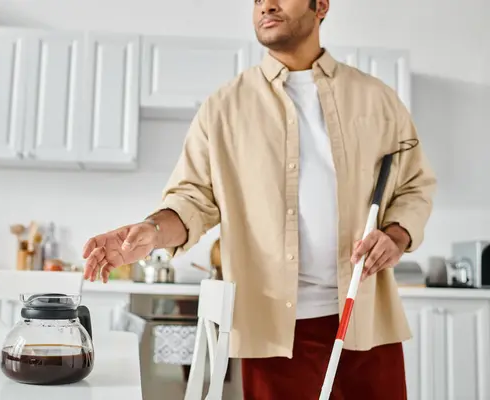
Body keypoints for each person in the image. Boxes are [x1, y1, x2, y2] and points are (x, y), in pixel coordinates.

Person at [82, 0, 437, 398]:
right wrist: (152, 231)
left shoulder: (378, 100)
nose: (265, 5)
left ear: (320, 5)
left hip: (366, 322)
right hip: (272, 334)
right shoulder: (224, 108)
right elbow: (193, 197)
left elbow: (415, 185)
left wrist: (395, 235)